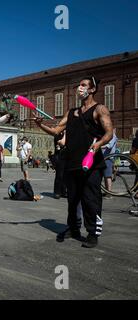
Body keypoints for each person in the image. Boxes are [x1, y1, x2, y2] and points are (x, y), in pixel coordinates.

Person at [34, 76, 113, 248]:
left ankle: (92, 233)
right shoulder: (71, 113)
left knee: (90, 199)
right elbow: (56, 131)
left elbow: (109, 133)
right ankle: (73, 228)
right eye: (79, 85)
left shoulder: (100, 109)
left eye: (84, 85)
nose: (80, 88)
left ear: (92, 89)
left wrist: (97, 145)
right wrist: (41, 125)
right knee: (72, 199)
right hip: (71, 162)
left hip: (91, 163)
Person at [101, 130, 118, 200]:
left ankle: (109, 193)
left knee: (108, 176)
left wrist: (99, 146)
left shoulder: (112, 135)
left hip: (108, 158)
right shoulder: (105, 135)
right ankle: (106, 191)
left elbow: (109, 145)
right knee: (105, 176)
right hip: (103, 158)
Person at [53, 131, 67, 199]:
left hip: (67, 156)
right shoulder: (57, 135)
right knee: (59, 175)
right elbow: (61, 143)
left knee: (65, 175)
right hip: (59, 156)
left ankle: (64, 192)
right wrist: (65, 134)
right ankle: (57, 192)